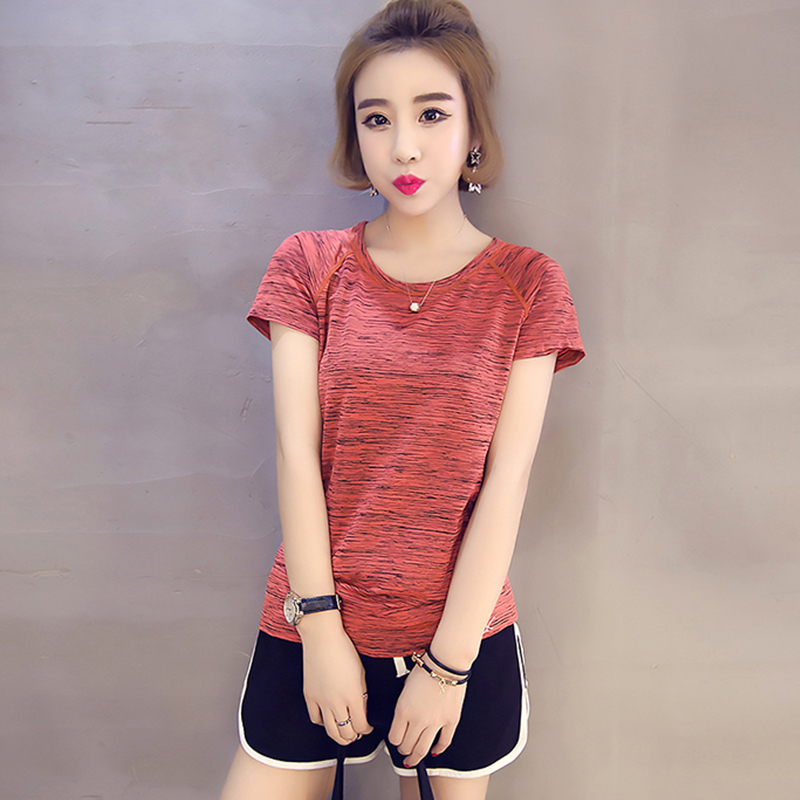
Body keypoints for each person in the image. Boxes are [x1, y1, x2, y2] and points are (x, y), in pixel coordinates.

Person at [219, 1, 585, 798]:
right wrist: (321, 629)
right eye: (377, 119)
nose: (404, 146)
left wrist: (448, 669)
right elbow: (295, 454)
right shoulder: (309, 265)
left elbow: (507, 481)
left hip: (459, 637)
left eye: (432, 113)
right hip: (314, 620)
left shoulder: (528, 284)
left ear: (473, 127)